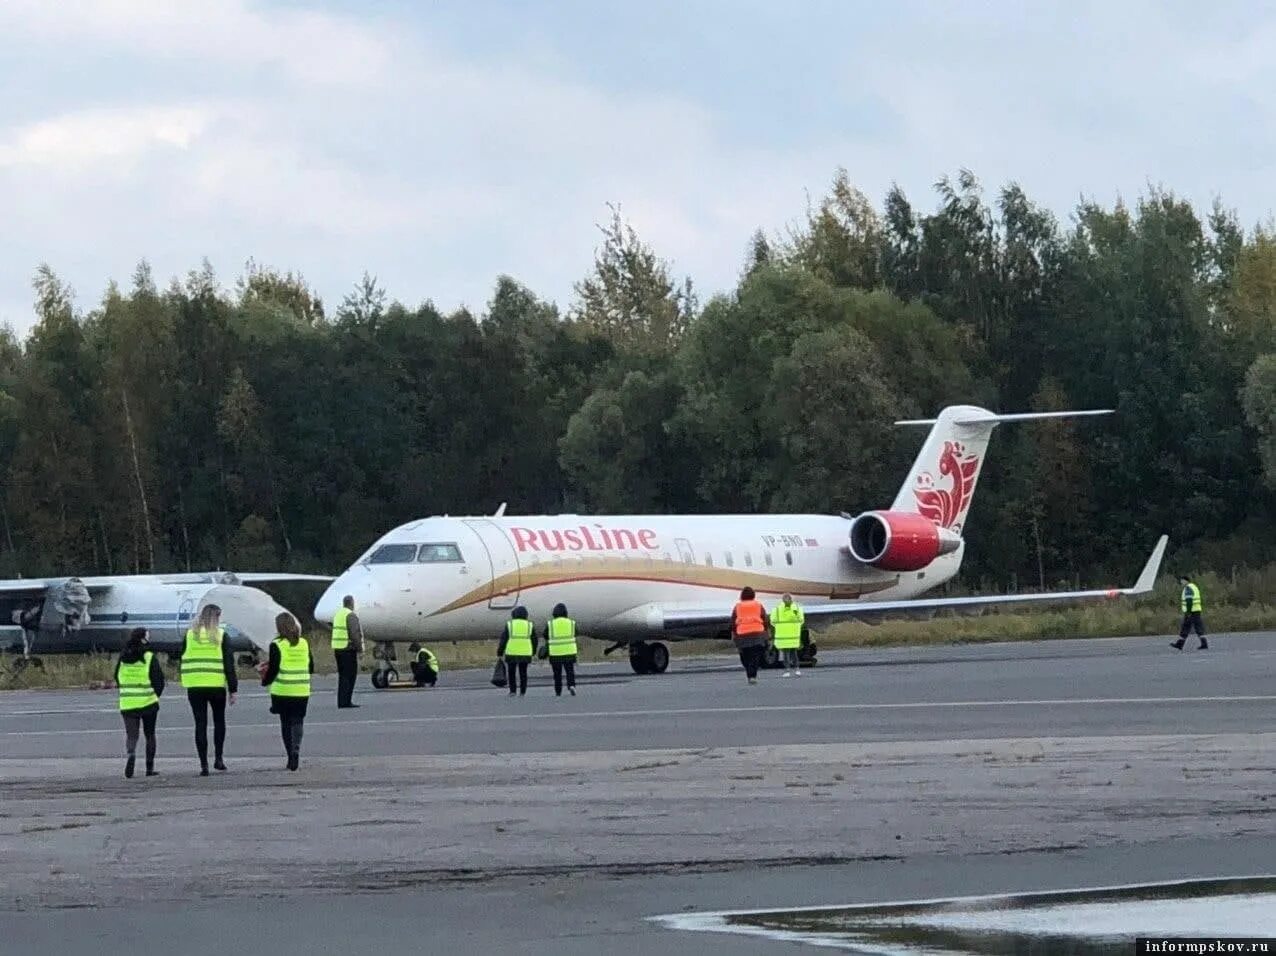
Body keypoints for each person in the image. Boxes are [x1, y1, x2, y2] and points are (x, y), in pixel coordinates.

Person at [180, 604, 237, 776]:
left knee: (200, 724)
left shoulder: (190, 635)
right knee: (219, 722)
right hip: (216, 685)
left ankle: (203, 764)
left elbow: (182, 656)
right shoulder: (221, 636)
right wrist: (233, 689)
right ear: (216, 618)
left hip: (195, 685)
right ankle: (218, 758)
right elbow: (229, 664)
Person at [261, 612, 313, 771]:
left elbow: (274, 669)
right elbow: (311, 667)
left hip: (283, 689)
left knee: (285, 723)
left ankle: (290, 754)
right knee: (298, 721)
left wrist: (265, 680)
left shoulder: (276, 644)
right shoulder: (304, 643)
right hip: (301, 689)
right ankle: (297, 748)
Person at [116, 627, 165, 779]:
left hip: (128, 702)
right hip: (148, 702)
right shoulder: (149, 657)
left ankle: (131, 754)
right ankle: (149, 768)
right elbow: (158, 680)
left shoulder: (123, 657)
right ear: (143, 639)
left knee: (132, 735)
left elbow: (117, 677)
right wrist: (155, 695)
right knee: (150, 734)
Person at [731, 587, 770, 685]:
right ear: (753, 595)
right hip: (757, 633)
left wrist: (734, 633)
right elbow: (764, 619)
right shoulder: (758, 605)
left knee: (745, 656)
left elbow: (733, 621)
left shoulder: (738, 606)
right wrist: (766, 632)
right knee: (755, 656)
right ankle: (752, 675)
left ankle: (749, 673)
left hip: (742, 634)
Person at [331, 595, 364, 709]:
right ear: (351, 603)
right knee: (350, 675)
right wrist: (360, 649)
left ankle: (342, 700)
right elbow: (354, 634)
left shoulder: (338, 614)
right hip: (348, 649)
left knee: (342, 676)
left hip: (338, 648)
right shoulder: (350, 615)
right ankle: (346, 701)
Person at [497, 606, 535, 696]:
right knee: (523, 673)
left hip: (512, 652)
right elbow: (534, 640)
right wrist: (533, 651)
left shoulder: (510, 625)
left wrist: (500, 651)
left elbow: (504, 639)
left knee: (511, 673)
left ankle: (513, 691)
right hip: (525, 653)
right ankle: (523, 691)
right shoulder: (529, 625)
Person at [544, 603, 578, 697]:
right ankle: (571, 685)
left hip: (555, 653)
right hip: (569, 652)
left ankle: (558, 691)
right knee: (570, 671)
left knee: (557, 674)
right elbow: (576, 633)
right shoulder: (571, 623)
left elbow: (545, 635)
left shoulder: (550, 624)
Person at [772, 593, 805, 677]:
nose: (786, 601)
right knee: (789, 654)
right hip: (788, 636)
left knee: (791, 653)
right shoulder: (780, 609)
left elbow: (773, 621)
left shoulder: (779, 609)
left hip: (788, 636)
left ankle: (792, 670)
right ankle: (791, 670)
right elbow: (801, 620)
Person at [1172, 574, 1208, 650]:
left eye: (1182, 581)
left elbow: (1189, 600)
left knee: (1188, 627)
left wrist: (1188, 612)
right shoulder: (1194, 587)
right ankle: (1203, 643)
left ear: (1185, 581)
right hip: (1196, 610)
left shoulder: (1188, 588)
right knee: (1193, 626)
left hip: (1191, 611)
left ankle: (1180, 644)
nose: (1181, 582)